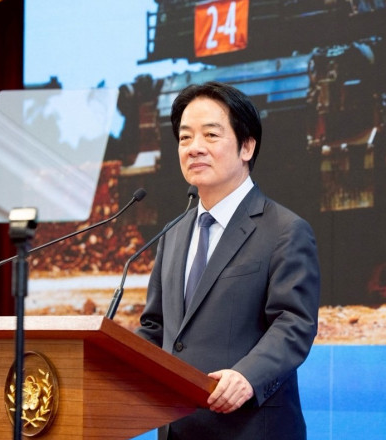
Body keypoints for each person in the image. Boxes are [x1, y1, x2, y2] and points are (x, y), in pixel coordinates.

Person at [136, 81, 321, 439]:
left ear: (247, 146)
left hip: (249, 427)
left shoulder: (285, 230)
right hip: (177, 429)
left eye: (210, 135)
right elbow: (156, 327)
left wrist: (247, 375)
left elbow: (294, 323)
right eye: (185, 137)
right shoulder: (172, 234)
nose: (194, 148)